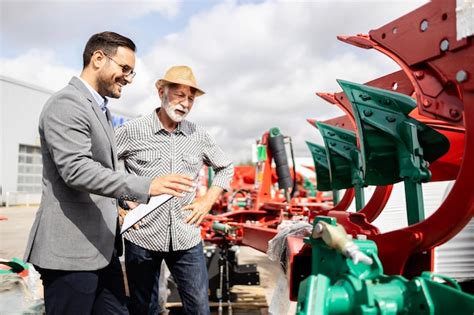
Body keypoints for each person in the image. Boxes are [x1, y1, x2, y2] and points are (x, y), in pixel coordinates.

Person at [23, 32, 194, 315]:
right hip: (71, 254)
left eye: (131, 72)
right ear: (98, 58)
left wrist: (124, 205)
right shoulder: (67, 104)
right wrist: (146, 185)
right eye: (124, 68)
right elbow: (76, 170)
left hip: (101, 252)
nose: (128, 77)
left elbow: (103, 170)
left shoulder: (100, 109)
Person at [116, 65, 234, 315]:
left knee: (199, 309)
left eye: (191, 98)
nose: (186, 103)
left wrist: (206, 201)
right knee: (144, 309)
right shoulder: (132, 131)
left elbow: (226, 168)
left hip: (186, 236)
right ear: (161, 91)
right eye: (179, 94)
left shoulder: (198, 135)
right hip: (142, 236)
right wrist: (118, 203)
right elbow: (100, 167)